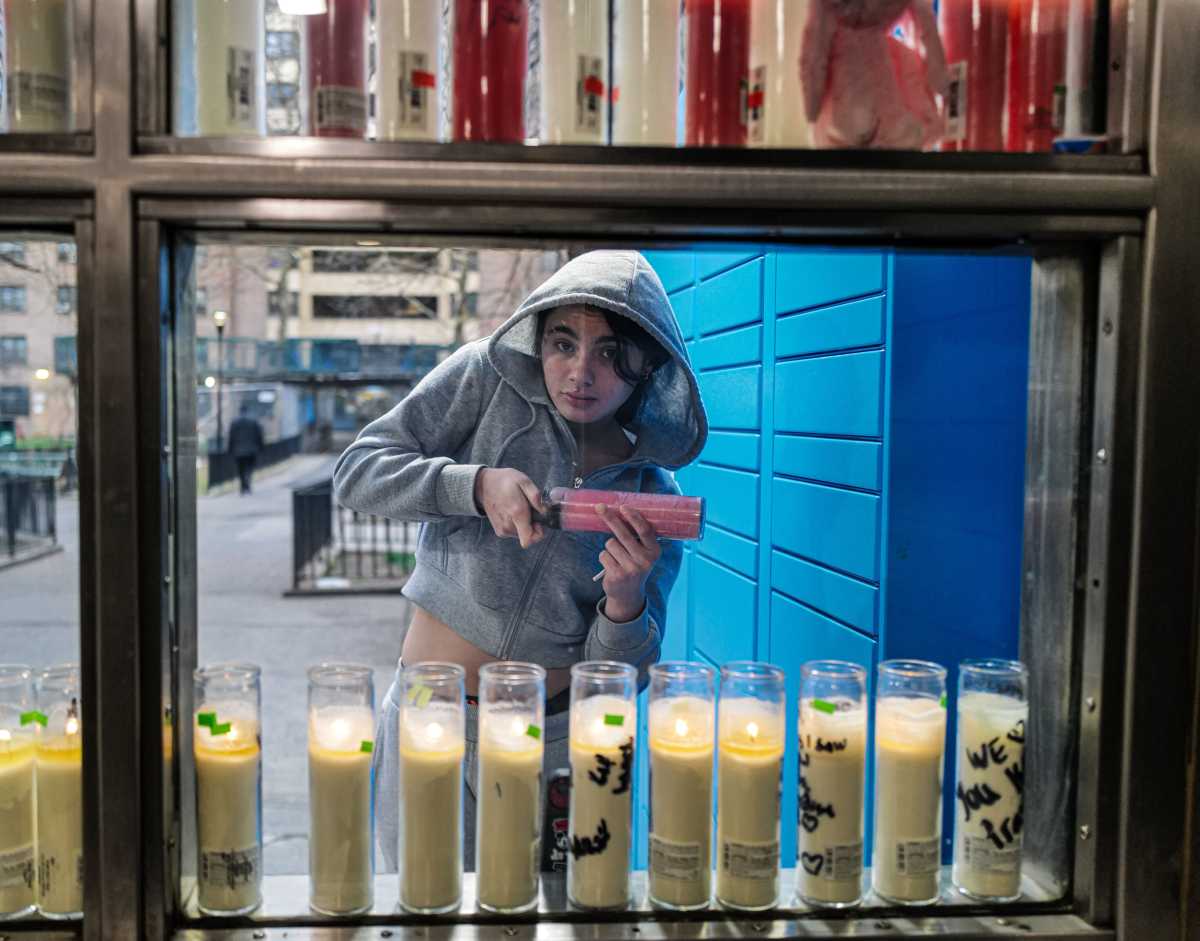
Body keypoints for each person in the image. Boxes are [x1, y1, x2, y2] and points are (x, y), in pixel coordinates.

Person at [333, 250, 708, 869]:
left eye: (610, 353)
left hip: (552, 740)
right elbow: (358, 471)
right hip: (430, 716)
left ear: (646, 364)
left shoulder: (653, 499)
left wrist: (624, 603)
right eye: (563, 344)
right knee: (422, 904)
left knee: (544, 913)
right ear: (538, 339)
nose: (580, 372)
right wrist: (474, 485)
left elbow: (623, 679)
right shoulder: (484, 379)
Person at [227, 402, 265, 495]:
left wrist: (230, 449)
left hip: (238, 450)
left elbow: (231, 437)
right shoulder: (253, 421)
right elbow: (259, 435)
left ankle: (243, 486)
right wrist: (261, 447)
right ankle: (247, 481)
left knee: (240, 469)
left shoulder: (234, 422)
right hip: (251, 450)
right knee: (249, 468)